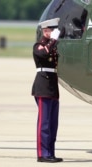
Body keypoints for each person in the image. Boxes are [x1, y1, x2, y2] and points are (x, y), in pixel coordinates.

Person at [31, 18, 63, 163]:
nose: (55, 32)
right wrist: (53, 40)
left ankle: (50, 152)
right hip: (43, 85)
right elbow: (43, 54)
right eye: (52, 30)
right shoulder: (39, 45)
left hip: (52, 86)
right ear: (45, 31)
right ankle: (42, 154)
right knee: (44, 123)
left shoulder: (52, 46)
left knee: (52, 123)